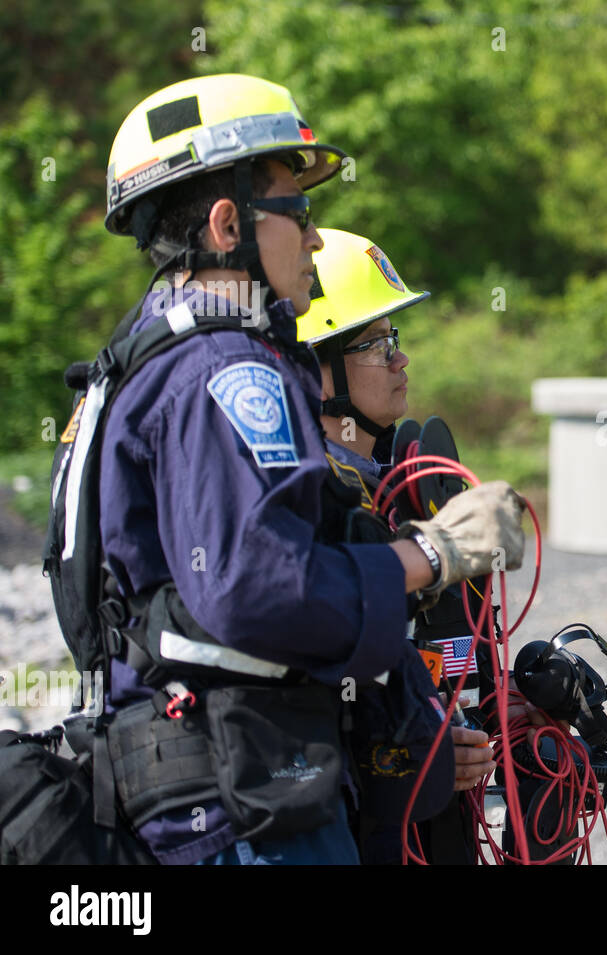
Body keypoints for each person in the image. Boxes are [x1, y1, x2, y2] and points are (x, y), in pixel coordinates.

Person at [73, 74, 523, 865]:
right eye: (299, 211)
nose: (314, 239)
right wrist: (434, 555)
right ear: (225, 223)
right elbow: (260, 589)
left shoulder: (145, 357)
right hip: (242, 802)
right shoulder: (225, 369)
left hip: (199, 783)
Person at [300, 227, 496, 862]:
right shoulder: (310, 499)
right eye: (377, 344)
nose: (400, 360)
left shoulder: (402, 482)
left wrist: (495, 708)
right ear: (316, 366)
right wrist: (417, 746)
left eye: (395, 340)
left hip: (434, 809)